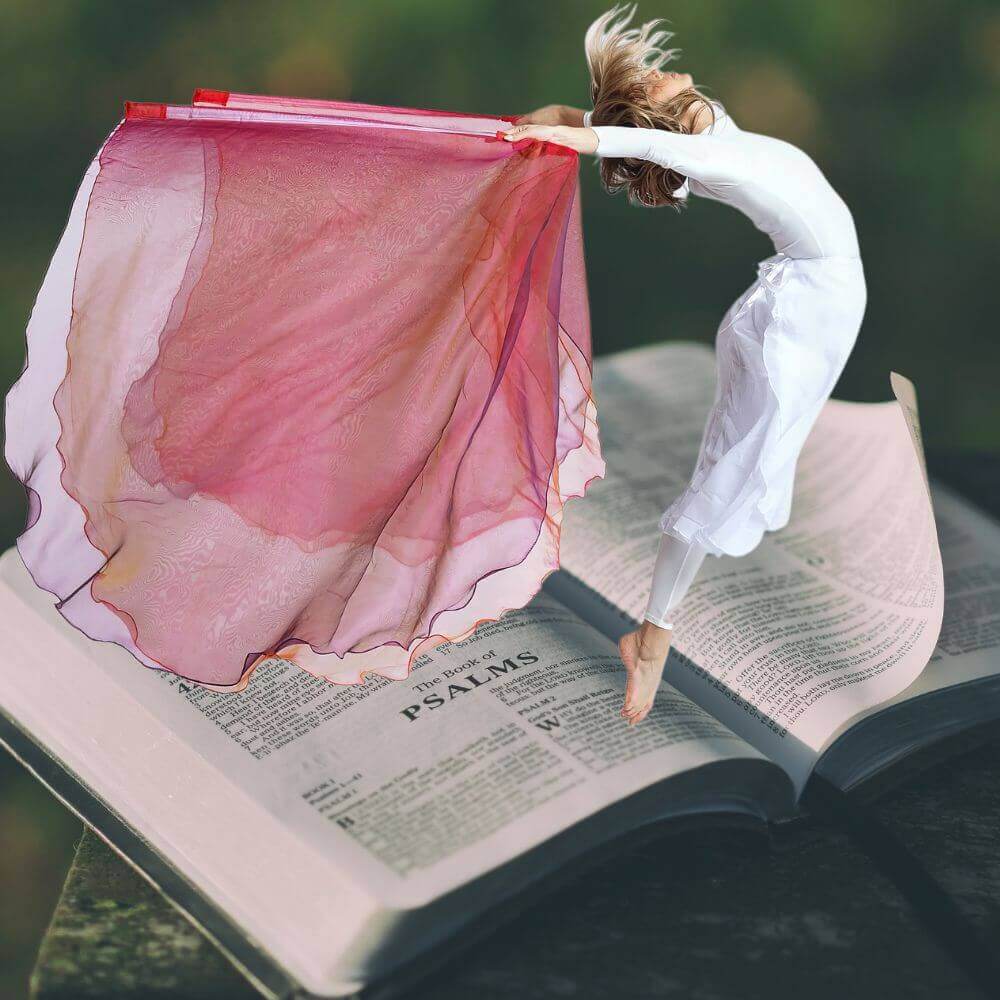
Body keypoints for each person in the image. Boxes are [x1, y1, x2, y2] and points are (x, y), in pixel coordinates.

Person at [505, 4, 865, 727]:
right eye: (657, 82)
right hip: (803, 309)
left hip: (825, 297)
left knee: (745, 463)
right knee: (733, 471)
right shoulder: (708, 155)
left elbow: (587, 120)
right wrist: (548, 135)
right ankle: (654, 637)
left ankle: (652, 636)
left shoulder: (712, 130)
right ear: (657, 125)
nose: (667, 71)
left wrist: (538, 118)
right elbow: (603, 134)